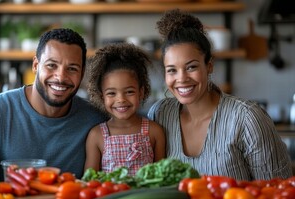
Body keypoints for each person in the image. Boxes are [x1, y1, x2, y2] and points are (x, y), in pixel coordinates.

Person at [147, 9, 293, 181]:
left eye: (191, 67)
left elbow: (277, 188)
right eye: (172, 70)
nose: (182, 79)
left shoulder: (246, 118)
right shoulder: (159, 114)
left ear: (209, 66)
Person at [0, 28, 108, 185]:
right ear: (35, 65)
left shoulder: (96, 120)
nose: (61, 77)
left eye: (72, 69)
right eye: (51, 65)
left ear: (82, 75)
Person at [84, 43, 166, 176]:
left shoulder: (155, 131)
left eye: (129, 91)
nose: (121, 99)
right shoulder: (96, 135)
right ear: (102, 96)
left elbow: (162, 178)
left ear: (141, 92)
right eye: (111, 93)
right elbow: (89, 181)